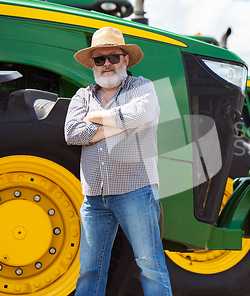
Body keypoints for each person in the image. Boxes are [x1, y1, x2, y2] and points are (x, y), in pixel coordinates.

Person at [64, 26, 172, 296]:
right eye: (100, 60)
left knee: (150, 265)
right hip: (94, 197)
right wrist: (118, 124)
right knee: (90, 269)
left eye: (113, 57)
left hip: (135, 190)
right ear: (93, 65)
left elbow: (139, 115)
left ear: (125, 59)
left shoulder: (143, 87)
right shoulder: (82, 96)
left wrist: (93, 118)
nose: (107, 64)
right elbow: (71, 133)